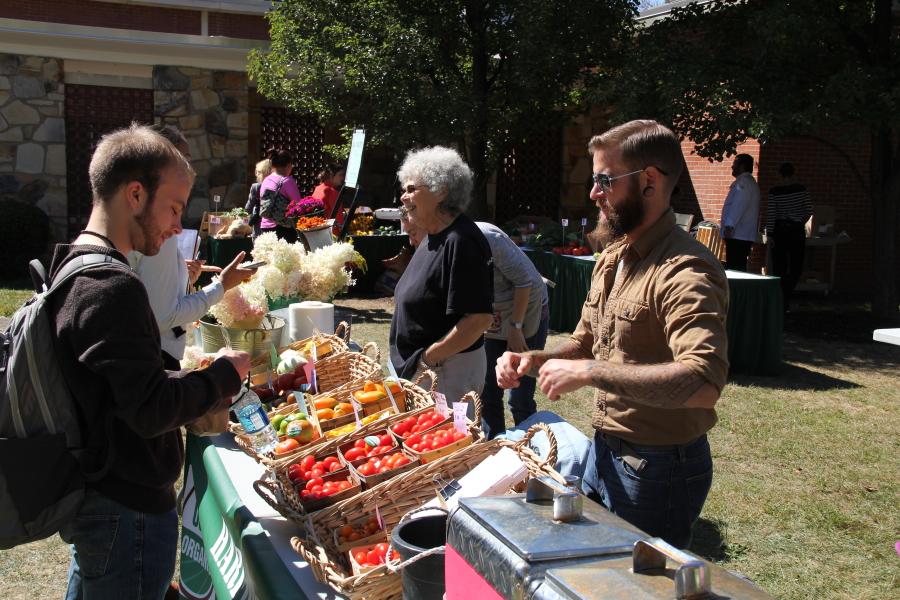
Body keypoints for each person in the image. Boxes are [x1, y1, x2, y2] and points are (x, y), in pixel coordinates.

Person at [496, 120, 729, 548]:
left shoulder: (685, 271)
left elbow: (702, 383)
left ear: (649, 181)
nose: (593, 193)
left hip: (659, 468)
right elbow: (584, 344)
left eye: (605, 180)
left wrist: (589, 371)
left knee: (637, 587)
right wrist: (533, 359)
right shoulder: (615, 256)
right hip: (607, 452)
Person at [45, 123, 251, 598]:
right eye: (174, 208)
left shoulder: (77, 263)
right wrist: (221, 374)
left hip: (109, 502)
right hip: (126, 509)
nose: (179, 226)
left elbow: (127, 384)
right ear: (135, 194)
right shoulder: (110, 286)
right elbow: (150, 408)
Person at [132, 124, 257, 370]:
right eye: (184, 160)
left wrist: (179, 271)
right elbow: (165, 317)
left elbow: (146, 289)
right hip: (157, 356)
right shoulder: (158, 232)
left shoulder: (136, 224)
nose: (177, 227)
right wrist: (221, 285)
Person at [389, 146, 494, 404]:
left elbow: (479, 319)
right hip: (427, 371)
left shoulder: (461, 240)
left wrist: (429, 358)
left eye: (412, 189)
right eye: (404, 189)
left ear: (441, 191)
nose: (404, 197)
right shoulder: (432, 236)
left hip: (446, 373)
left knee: (447, 444)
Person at [476, 221, 549, 439]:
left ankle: (530, 450)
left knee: (520, 395)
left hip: (527, 310)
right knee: (489, 390)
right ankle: (496, 448)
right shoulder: (443, 244)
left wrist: (516, 328)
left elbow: (524, 282)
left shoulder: (488, 238)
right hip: (496, 314)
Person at [766, 162, 813, 310]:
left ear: (780, 174)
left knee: (779, 266)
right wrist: (799, 221)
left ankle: (781, 297)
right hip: (797, 230)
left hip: (780, 230)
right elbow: (809, 210)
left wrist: (770, 234)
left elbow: (772, 214)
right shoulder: (802, 190)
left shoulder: (774, 192)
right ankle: (788, 294)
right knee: (796, 266)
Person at [720, 153, 760, 271]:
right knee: (737, 266)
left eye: (735, 164)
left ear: (742, 166)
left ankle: (735, 289)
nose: (732, 167)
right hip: (740, 235)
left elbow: (738, 205)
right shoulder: (747, 182)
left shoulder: (744, 183)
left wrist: (729, 226)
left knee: (735, 267)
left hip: (738, 235)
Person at [260, 148, 302, 243]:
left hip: (265, 227)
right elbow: (298, 204)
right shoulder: (287, 181)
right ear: (288, 165)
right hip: (283, 228)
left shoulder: (266, 180)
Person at [245, 158, 273, 238]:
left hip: (259, 225)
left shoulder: (256, 187)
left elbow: (248, 208)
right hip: (274, 224)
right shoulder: (278, 185)